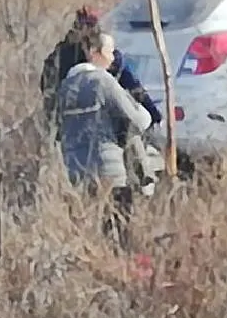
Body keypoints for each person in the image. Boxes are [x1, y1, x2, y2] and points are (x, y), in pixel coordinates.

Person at [56, 28, 154, 246]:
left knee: (89, 232)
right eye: (109, 52)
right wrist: (142, 110)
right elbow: (139, 120)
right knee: (118, 232)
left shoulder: (64, 88)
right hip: (109, 169)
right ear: (94, 52)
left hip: (75, 170)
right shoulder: (103, 81)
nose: (112, 59)